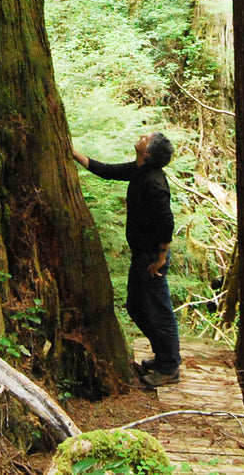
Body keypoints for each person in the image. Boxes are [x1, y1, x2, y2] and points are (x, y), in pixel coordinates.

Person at [72, 132, 181, 387]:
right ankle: (164, 356)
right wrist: (75, 154)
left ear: (148, 152)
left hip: (153, 257)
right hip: (143, 254)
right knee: (136, 306)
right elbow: (108, 171)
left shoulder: (154, 182)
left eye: (147, 137)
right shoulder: (139, 169)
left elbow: (167, 221)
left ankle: (169, 367)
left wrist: (162, 256)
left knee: (159, 311)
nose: (143, 136)